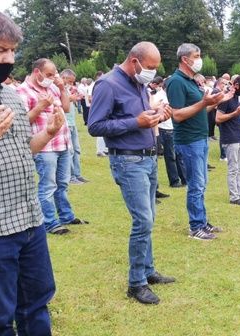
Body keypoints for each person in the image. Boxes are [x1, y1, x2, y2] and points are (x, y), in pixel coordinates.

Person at [0, 7, 66, 334]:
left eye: (12, 50)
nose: (9, 58)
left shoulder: (10, 93)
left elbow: (22, 149)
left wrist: (48, 133)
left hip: (29, 220)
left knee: (37, 304)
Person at [88, 42, 176, 305]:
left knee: (149, 218)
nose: (152, 73)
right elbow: (95, 125)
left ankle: (147, 271)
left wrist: (157, 116)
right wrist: (135, 122)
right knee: (143, 222)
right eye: (149, 67)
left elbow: (140, 117)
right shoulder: (108, 84)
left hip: (147, 159)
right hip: (128, 161)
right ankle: (135, 283)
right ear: (135, 61)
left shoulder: (138, 83)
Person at [16, 58, 89, 235]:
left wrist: (62, 88)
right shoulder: (22, 92)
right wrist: (40, 107)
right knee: (47, 187)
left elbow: (65, 108)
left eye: (53, 75)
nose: (51, 78)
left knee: (62, 184)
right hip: (44, 147)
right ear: (36, 72)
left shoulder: (51, 88)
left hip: (62, 143)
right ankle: (49, 222)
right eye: (48, 75)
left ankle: (66, 215)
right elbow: (21, 122)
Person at [167, 43, 230, 240]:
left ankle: (202, 221)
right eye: (196, 55)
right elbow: (177, 115)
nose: (199, 59)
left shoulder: (191, 80)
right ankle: (195, 227)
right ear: (185, 59)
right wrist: (204, 102)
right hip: (189, 140)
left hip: (200, 138)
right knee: (196, 184)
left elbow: (200, 109)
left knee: (201, 184)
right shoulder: (176, 82)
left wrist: (215, 102)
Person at [215, 74, 240, 205]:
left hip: (238, 136)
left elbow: (235, 113)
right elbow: (218, 118)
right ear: (236, 85)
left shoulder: (236, 96)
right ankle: (234, 197)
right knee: (233, 169)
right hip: (229, 137)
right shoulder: (226, 97)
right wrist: (235, 113)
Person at [154, 77, 187, 188]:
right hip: (165, 129)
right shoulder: (159, 97)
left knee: (179, 154)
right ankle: (174, 181)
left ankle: (184, 178)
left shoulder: (171, 95)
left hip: (173, 128)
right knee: (170, 156)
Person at [60, 69, 90, 185]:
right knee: (70, 151)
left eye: (73, 82)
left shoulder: (67, 90)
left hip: (72, 123)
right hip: (64, 123)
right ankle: (71, 176)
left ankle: (77, 174)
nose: (72, 84)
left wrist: (74, 99)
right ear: (63, 78)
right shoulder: (58, 90)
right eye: (70, 81)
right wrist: (70, 99)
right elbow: (57, 104)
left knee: (77, 150)